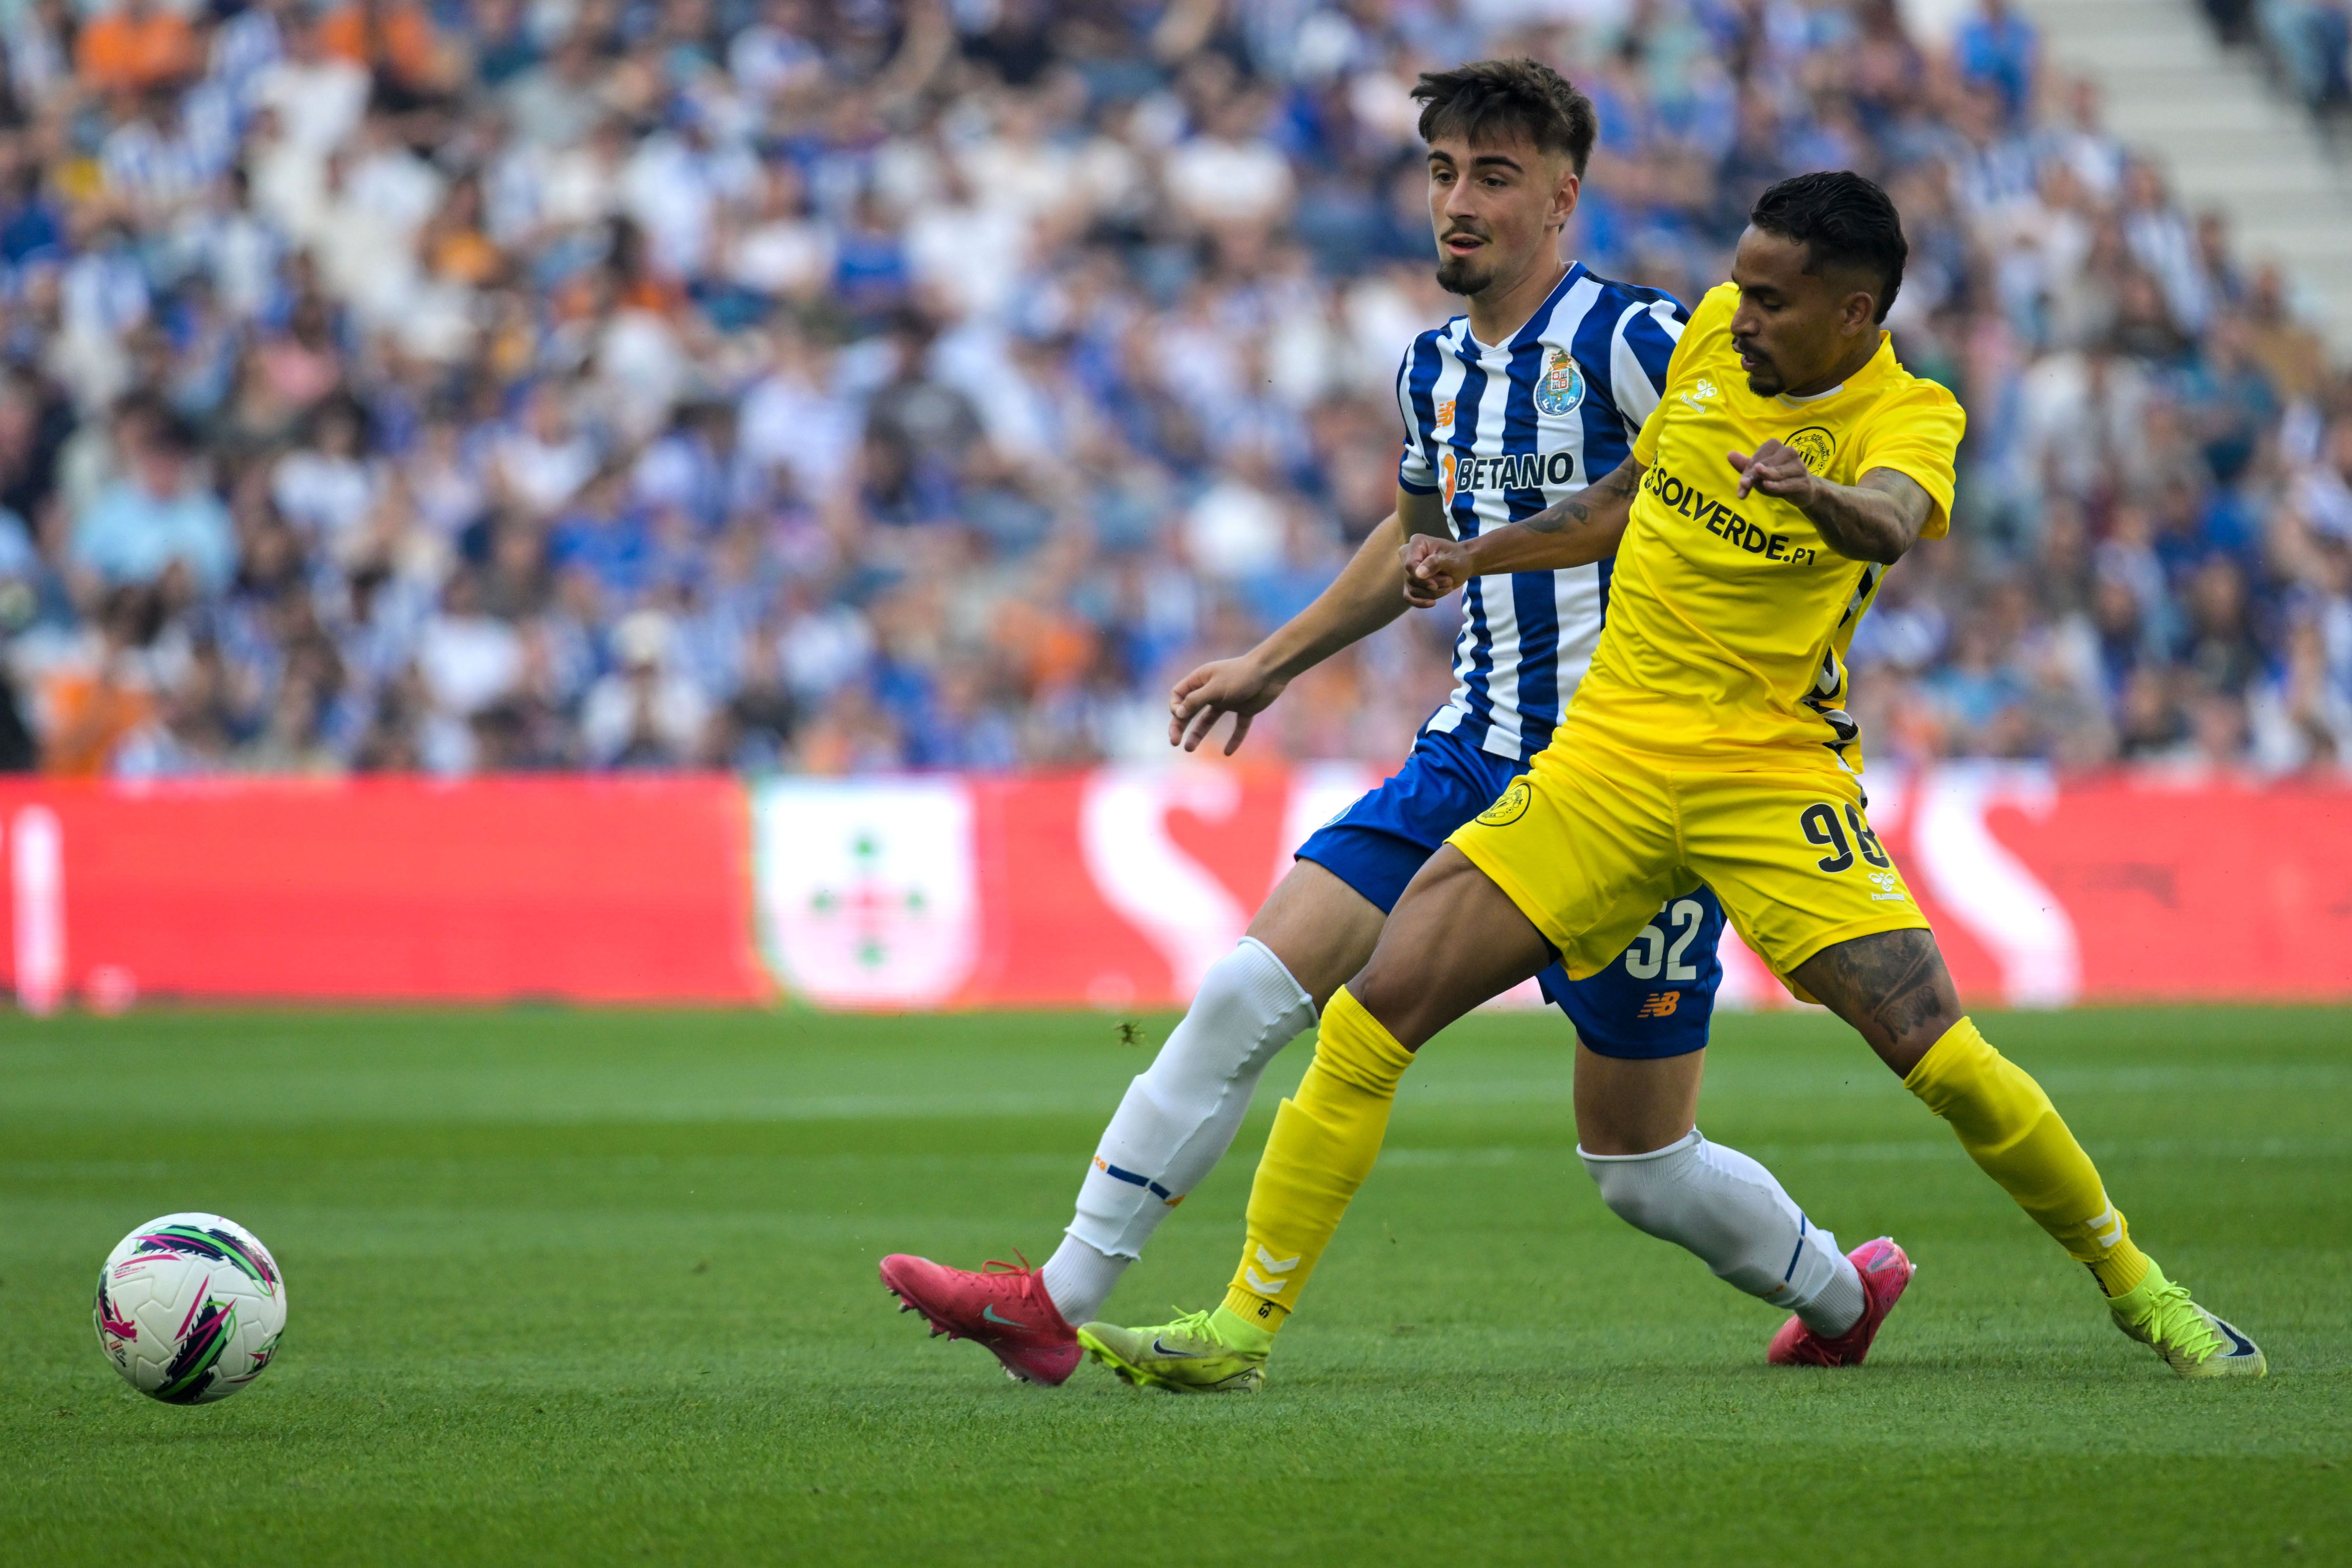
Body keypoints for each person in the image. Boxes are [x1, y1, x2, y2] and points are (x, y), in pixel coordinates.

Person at [1075, 170, 2267, 1392]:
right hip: (1605, 762)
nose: (1739, 314)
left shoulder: (1912, 415)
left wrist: (1819, 494)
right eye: (1741, 287)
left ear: (1854, 315)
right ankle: (1242, 1327)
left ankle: (2145, 1292)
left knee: (1938, 1051)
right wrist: (1472, 556)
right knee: (1375, 1011)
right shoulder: (1705, 338)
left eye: (1772, 300)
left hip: (1767, 775)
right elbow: (1622, 500)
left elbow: (1895, 522)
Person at [878, 60, 1888, 1387]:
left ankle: (1839, 1288)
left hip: (1626, 789)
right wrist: (1274, 660)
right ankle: (1056, 1298)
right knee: (1250, 987)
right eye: (1442, 173)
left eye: (1496, 176)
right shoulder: (1434, 367)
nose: (1458, 203)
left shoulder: (1642, 342)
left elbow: (1786, 474)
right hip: (1469, 752)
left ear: (1563, 198)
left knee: (1640, 1167)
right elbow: (1420, 535)